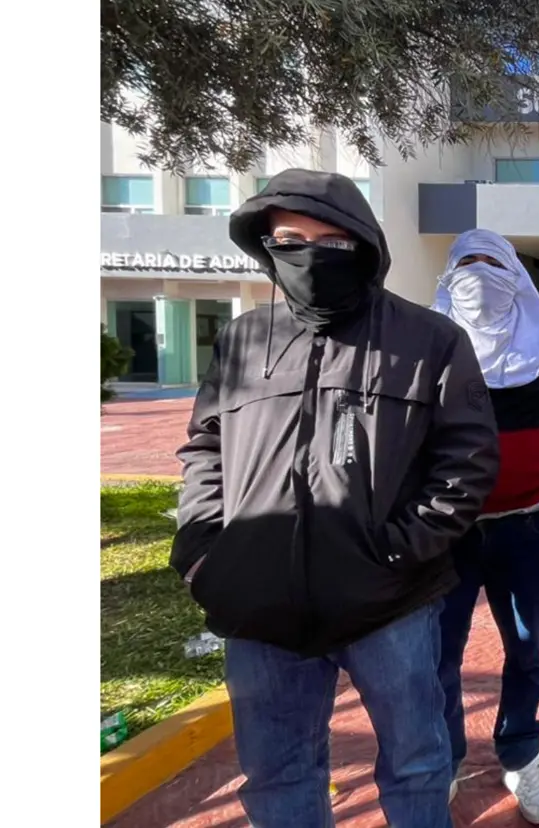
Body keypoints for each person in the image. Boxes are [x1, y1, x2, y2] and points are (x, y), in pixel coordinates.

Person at [172, 169, 500, 828]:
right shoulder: (243, 340)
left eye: (332, 242)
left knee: (416, 764)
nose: (311, 256)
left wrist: (397, 551)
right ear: (266, 245)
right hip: (258, 604)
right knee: (277, 773)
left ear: (364, 246)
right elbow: (205, 450)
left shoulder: (430, 341)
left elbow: (465, 464)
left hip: (389, 602)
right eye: (291, 239)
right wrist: (206, 552)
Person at [432, 228, 539, 823]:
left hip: (528, 526)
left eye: (490, 262)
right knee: (438, 653)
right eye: (466, 263)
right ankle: (444, 757)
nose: (478, 274)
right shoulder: (432, 343)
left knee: (526, 649)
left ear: (514, 273)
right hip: (446, 532)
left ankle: (521, 751)